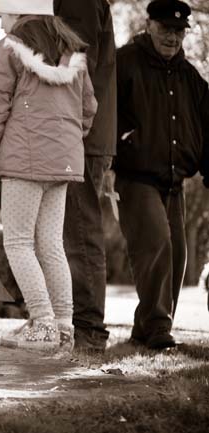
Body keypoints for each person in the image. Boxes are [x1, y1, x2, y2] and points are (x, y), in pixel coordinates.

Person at [0, 0, 97, 351]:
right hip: (63, 162)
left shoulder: (10, 49)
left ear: (18, 13)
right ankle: (64, 326)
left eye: (2, 17)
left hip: (24, 163)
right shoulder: (74, 55)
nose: (2, 25)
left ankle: (42, 323)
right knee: (51, 244)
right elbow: (88, 109)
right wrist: (64, 143)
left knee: (18, 243)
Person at [114, 0, 209, 350]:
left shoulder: (190, 77)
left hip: (174, 181)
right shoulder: (124, 62)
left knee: (177, 255)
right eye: (166, 28)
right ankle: (158, 326)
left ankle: (146, 328)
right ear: (149, 25)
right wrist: (121, 144)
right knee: (157, 244)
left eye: (179, 31)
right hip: (136, 176)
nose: (173, 37)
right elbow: (102, 111)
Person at [53, 0, 117, 352]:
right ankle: (79, 326)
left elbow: (77, 68)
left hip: (79, 137)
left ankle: (88, 330)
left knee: (78, 233)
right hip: (81, 135)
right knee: (74, 232)